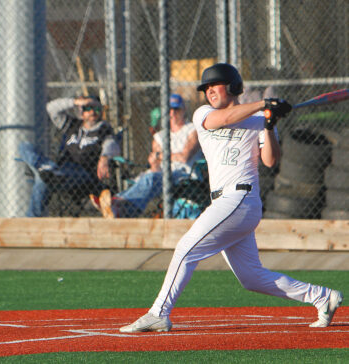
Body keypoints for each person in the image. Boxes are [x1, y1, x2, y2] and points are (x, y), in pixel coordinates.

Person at [119, 63, 343, 333]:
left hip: (240, 199)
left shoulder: (259, 120)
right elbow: (223, 119)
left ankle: (159, 312)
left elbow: (271, 161)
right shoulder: (204, 113)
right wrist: (263, 104)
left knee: (186, 248)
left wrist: (269, 125)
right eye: (207, 88)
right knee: (251, 278)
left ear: (234, 87)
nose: (210, 91)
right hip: (223, 202)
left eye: (216, 85)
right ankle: (322, 297)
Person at [19, 96, 120, 217]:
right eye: (88, 108)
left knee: (43, 179)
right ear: (81, 112)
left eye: (96, 109)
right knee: (24, 146)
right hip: (60, 168)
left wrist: (104, 158)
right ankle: (47, 168)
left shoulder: (103, 129)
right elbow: (51, 109)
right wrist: (74, 102)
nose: (92, 112)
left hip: (81, 173)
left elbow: (112, 145)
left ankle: (31, 218)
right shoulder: (72, 125)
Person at [104, 93, 203, 218]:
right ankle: (120, 211)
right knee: (149, 176)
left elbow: (184, 157)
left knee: (150, 178)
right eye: (169, 110)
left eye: (176, 109)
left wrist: (160, 155)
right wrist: (155, 161)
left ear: (184, 110)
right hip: (162, 175)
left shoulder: (192, 130)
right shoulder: (159, 137)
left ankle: (116, 202)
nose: (172, 113)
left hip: (185, 175)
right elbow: (157, 167)